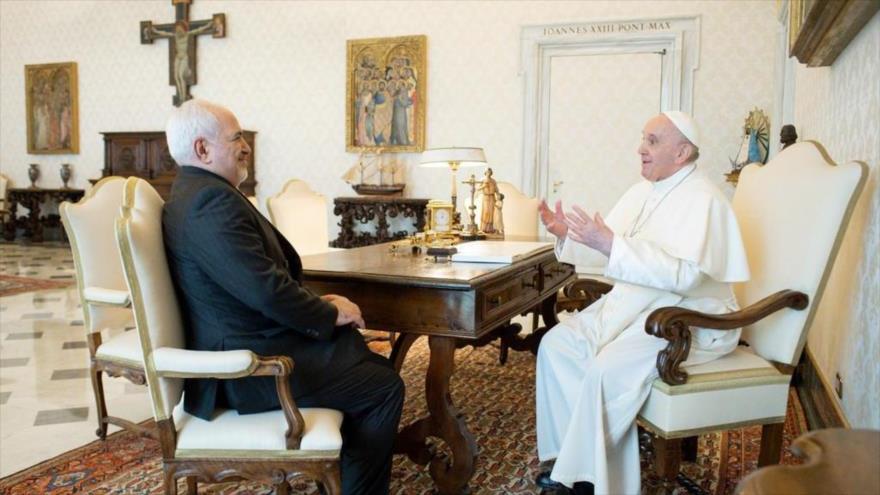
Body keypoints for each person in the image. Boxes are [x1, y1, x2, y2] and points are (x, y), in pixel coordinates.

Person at [162, 99, 404, 495]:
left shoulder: (199, 192)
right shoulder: (210, 201)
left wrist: (322, 306)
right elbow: (264, 289)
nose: (246, 146)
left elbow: (255, 280)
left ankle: (340, 479)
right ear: (202, 149)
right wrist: (327, 313)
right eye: (236, 137)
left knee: (360, 356)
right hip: (245, 369)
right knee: (383, 386)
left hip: (250, 339)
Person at [534, 111, 749, 495]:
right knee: (556, 346)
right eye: (643, 139)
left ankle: (593, 480)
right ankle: (572, 460)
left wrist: (611, 244)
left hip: (690, 318)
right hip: (636, 305)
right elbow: (611, 254)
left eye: (652, 141)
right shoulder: (640, 192)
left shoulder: (705, 199)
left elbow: (685, 277)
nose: (640, 149)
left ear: (682, 152)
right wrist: (571, 234)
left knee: (605, 369)